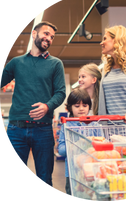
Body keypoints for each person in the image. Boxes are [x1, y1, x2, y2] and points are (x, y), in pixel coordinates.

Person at [1, 21, 66, 189]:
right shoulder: (17, 63)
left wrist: (47, 106)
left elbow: (60, 93)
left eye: (52, 37)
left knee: (45, 179)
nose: (49, 38)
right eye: (46, 34)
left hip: (43, 130)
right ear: (34, 34)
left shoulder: (55, 64)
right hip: (16, 129)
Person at [58, 88, 102, 198]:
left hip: (94, 172)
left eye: (85, 105)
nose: (81, 109)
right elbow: (61, 149)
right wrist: (76, 145)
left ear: (89, 107)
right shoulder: (66, 126)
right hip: (73, 173)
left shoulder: (95, 125)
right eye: (77, 106)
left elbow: (102, 146)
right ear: (70, 108)